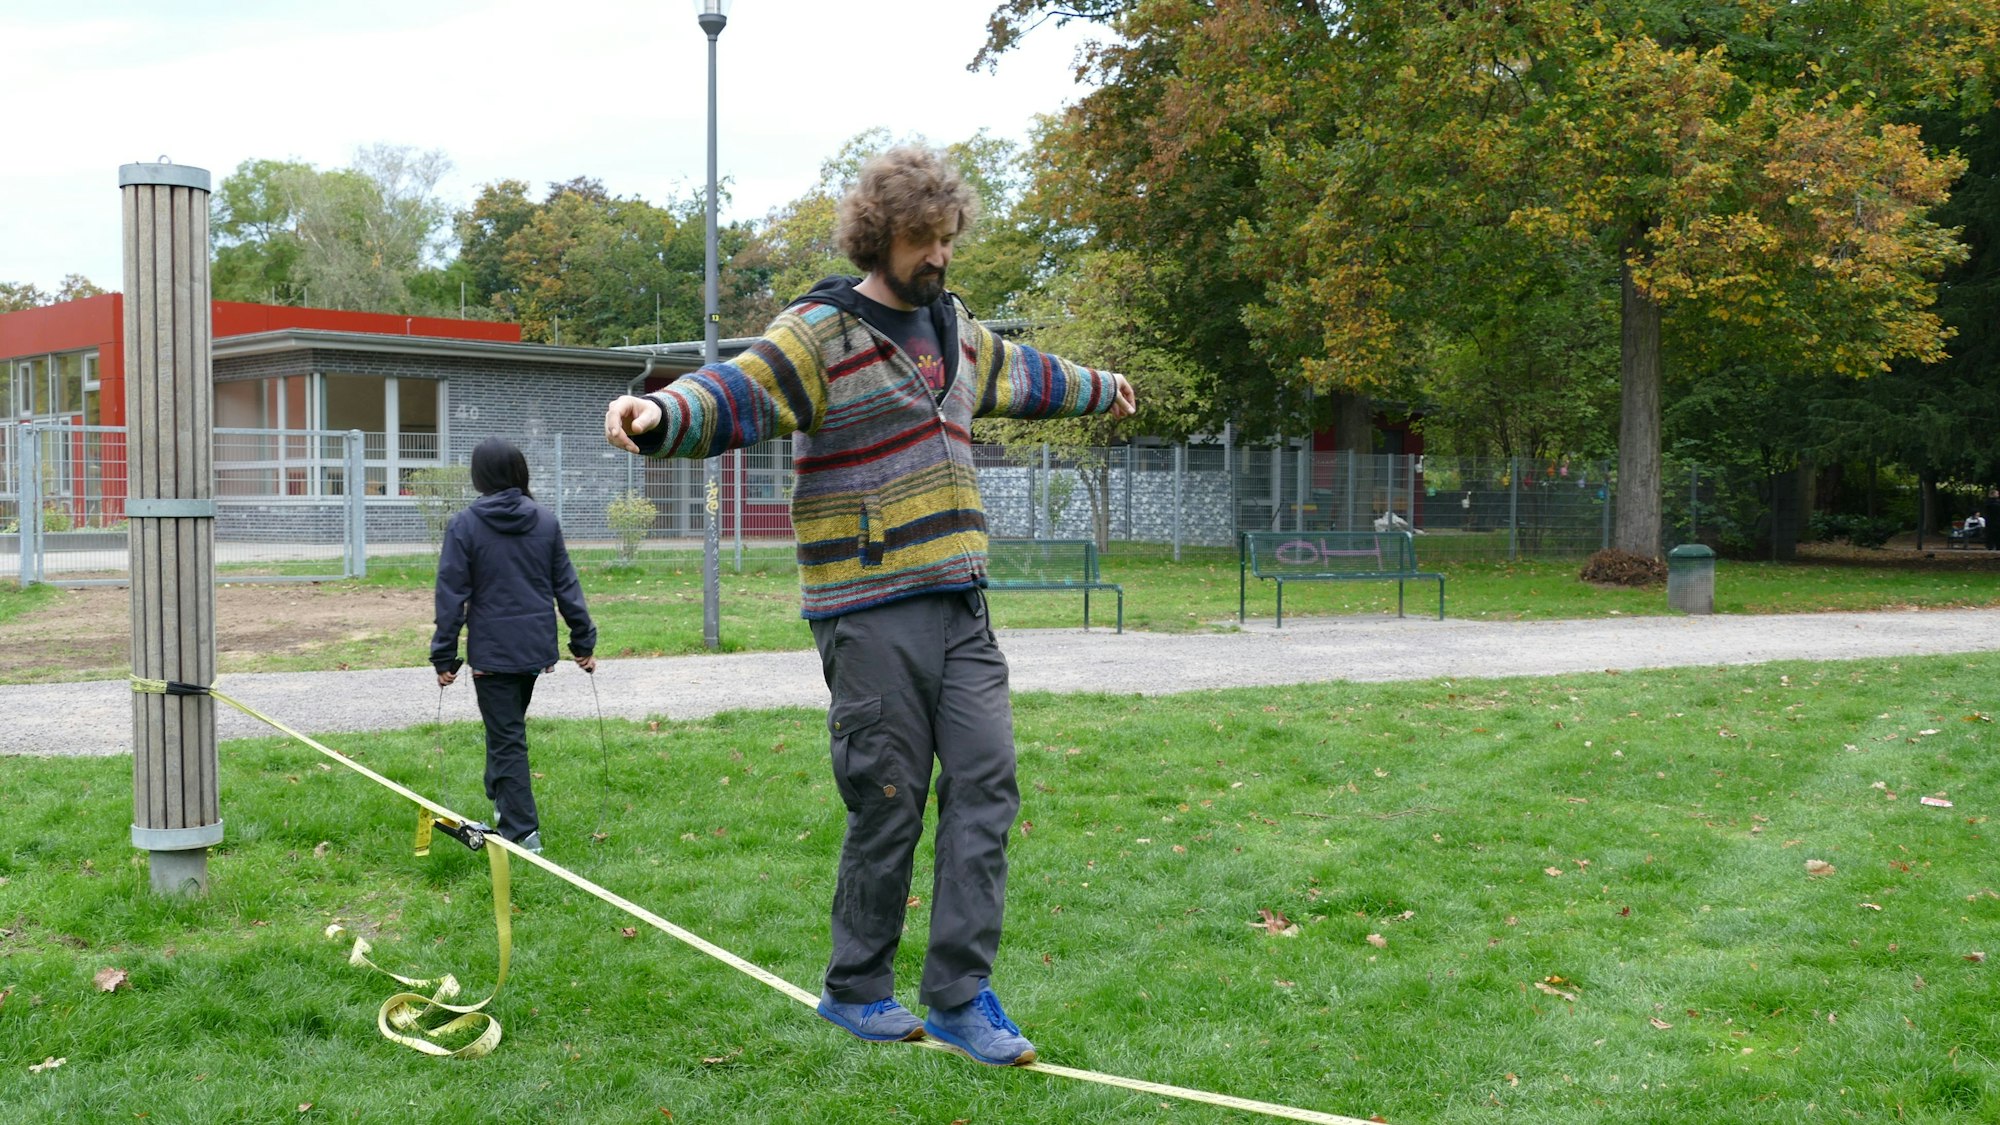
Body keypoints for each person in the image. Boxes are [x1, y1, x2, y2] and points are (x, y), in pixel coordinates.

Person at [604, 146, 1135, 1066]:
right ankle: (856, 986)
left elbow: (1029, 374)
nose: (940, 256)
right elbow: (739, 387)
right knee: (889, 797)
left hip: (962, 602)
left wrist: (1103, 387)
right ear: (879, 237)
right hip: (868, 607)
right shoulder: (822, 333)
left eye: (948, 238)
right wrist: (660, 414)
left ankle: (961, 996)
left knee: (987, 785)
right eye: (924, 239)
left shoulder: (957, 330)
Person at [431, 438, 598, 854]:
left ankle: (522, 833)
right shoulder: (544, 521)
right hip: (533, 650)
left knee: (506, 737)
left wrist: (443, 655)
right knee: (505, 729)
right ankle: (501, 792)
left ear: (479, 476)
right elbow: (568, 587)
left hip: (494, 654)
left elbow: (450, 595)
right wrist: (582, 638)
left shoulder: (465, 525)